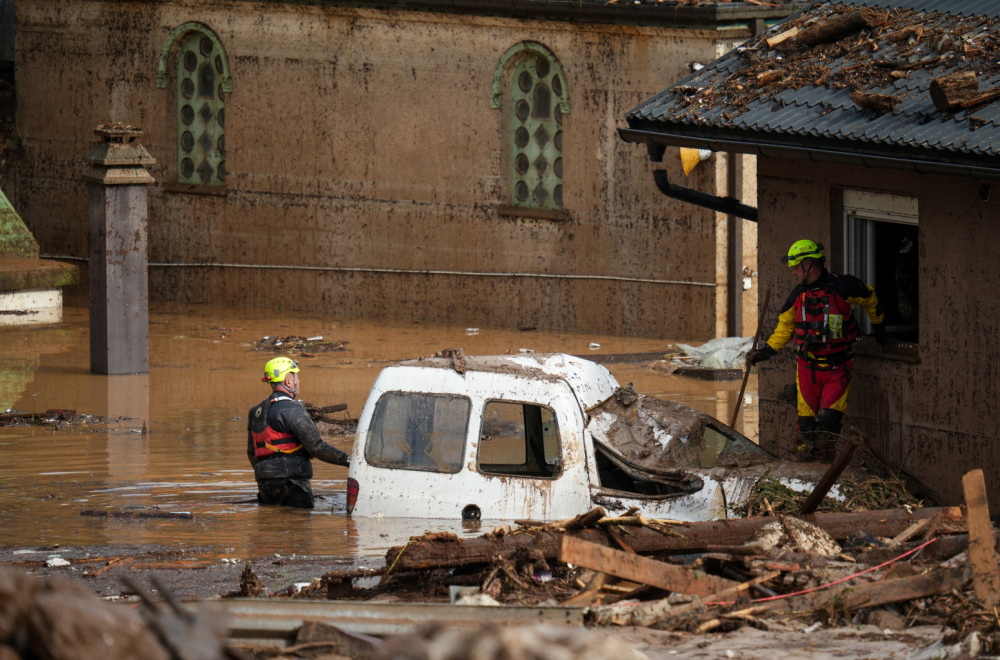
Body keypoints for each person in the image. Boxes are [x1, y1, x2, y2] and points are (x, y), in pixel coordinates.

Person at [748, 240, 887, 461]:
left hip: (838, 368)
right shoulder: (796, 296)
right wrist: (766, 352)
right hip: (807, 368)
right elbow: (784, 327)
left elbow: (870, 298)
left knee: (828, 426)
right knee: (805, 429)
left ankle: (823, 471)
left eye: (795, 267)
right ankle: (802, 471)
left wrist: (879, 327)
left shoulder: (844, 286)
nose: (793, 273)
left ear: (808, 265)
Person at [247, 356, 350, 508]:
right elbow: (317, 447)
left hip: (265, 485)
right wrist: (349, 461)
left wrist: (269, 474)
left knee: (269, 525)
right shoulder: (292, 408)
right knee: (300, 526)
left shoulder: (255, 411)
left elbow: (252, 453)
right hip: (293, 484)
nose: (298, 381)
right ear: (289, 382)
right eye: (296, 377)